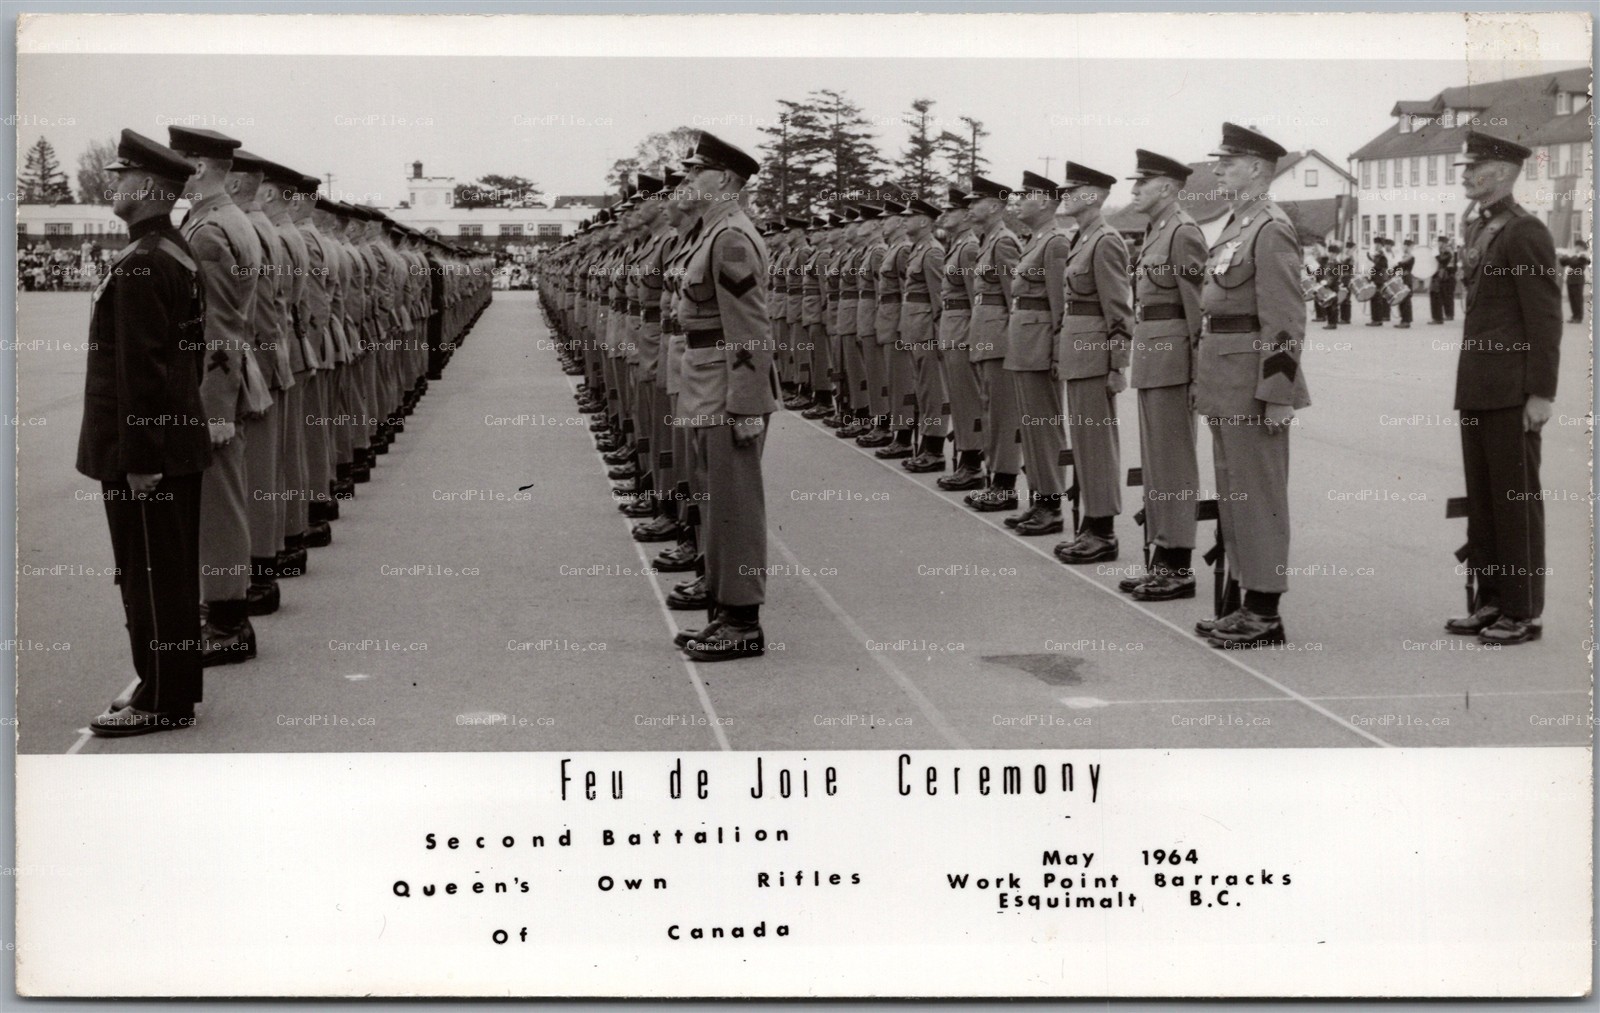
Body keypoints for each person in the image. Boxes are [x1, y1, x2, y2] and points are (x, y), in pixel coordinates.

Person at [80, 130, 211, 736]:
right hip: (173, 442)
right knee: (166, 572)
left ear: (152, 189)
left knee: (150, 575)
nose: (116, 184)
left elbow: (145, 374)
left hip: (148, 452)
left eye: (124, 176)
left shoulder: (147, 261)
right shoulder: (172, 252)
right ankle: (166, 681)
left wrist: (139, 457)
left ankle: (162, 697)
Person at [1192, 122, 1310, 647]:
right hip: (1224, 378)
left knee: (1257, 497)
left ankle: (1264, 611)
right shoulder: (1238, 224)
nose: (1217, 169)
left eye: (1228, 162)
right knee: (1235, 496)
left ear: (1258, 169)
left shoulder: (1271, 227)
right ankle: (1243, 600)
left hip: (1253, 386)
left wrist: (1278, 395)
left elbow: (1285, 320)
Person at [1446, 130, 1563, 646]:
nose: (1466, 175)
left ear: (1502, 173)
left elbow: (1544, 319)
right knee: (1486, 499)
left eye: (1474, 168)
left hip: (1513, 390)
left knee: (1514, 499)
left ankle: (1522, 610)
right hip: (1478, 385)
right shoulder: (1481, 226)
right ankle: (1490, 598)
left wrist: (1541, 393)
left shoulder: (1524, 231)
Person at [669, 131, 778, 662]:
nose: (688, 178)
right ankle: (723, 609)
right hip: (705, 379)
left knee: (734, 507)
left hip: (725, 388)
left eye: (697, 171)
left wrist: (748, 405)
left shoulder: (731, 236)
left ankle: (743, 621)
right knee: (715, 502)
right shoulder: (712, 233)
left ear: (726, 181)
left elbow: (750, 327)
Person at [168, 125, 265, 666]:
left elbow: (219, 327)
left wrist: (216, 408)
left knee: (218, 508)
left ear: (199, 168)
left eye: (179, 161)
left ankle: (228, 623)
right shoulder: (227, 219)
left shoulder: (209, 229)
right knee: (221, 502)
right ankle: (226, 614)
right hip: (223, 378)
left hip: (215, 384)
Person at [1119, 149, 1205, 600]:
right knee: (1155, 464)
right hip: (1153, 360)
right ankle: (1160, 556)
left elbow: (1198, 310)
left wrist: (1197, 374)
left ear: (1168, 188)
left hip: (1173, 364)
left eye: (1142, 184)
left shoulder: (1183, 233)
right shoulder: (1156, 232)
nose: (1133, 191)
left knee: (1173, 464)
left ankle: (1177, 565)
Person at [1053, 161, 1133, 563]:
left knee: (1097, 445)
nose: (1063, 196)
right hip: (1076, 352)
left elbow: (1118, 308)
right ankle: (1090, 525)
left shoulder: (1106, 240)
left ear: (1094, 196)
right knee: (1085, 444)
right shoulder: (1080, 238)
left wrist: (1117, 365)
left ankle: (1102, 532)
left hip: (1094, 356)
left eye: (1072, 190)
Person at [1001, 171, 1072, 536]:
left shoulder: (1056, 243)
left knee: (1044, 427)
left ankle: (1052, 505)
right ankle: (1039, 499)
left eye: (1024, 195)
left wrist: (1059, 353)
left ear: (1044, 201)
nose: (1018, 202)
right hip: (1024, 344)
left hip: (1041, 346)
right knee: (1031, 426)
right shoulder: (1035, 241)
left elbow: (1062, 305)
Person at [962, 175, 1023, 512]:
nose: (970, 206)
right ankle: (994, 479)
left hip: (999, 338)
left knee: (1002, 414)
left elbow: (1016, 296)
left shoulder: (1003, 242)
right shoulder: (987, 241)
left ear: (996, 206)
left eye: (976, 201)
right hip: (986, 337)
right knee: (989, 410)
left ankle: (1005, 485)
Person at [1560, 239, 1588, 323]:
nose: (1576, 248)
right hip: (1571, 280)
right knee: (1572, 299)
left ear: (1581, 247)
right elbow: (1563, 263)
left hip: (1578, 280)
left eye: (1578, 246)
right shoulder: (1574, 256)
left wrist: (1567, 257)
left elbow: (1573, 262)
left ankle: (1579, 317)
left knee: (1577, 299)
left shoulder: (1583, 256)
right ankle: (1574, 316)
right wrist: (1563, 256)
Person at [1393, 238, 1416, 328]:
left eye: (1406, 246)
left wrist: (1397, 262)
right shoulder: (1403, 256)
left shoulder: (1410, 257)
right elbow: (1396, 268)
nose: (1404, 248)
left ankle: (1406, 321)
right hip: (1401, 278)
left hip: (1406, 279)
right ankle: (1403, 319)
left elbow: (1401, 265)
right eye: (1404, 246)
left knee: (1406, 300)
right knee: (1401, 299)